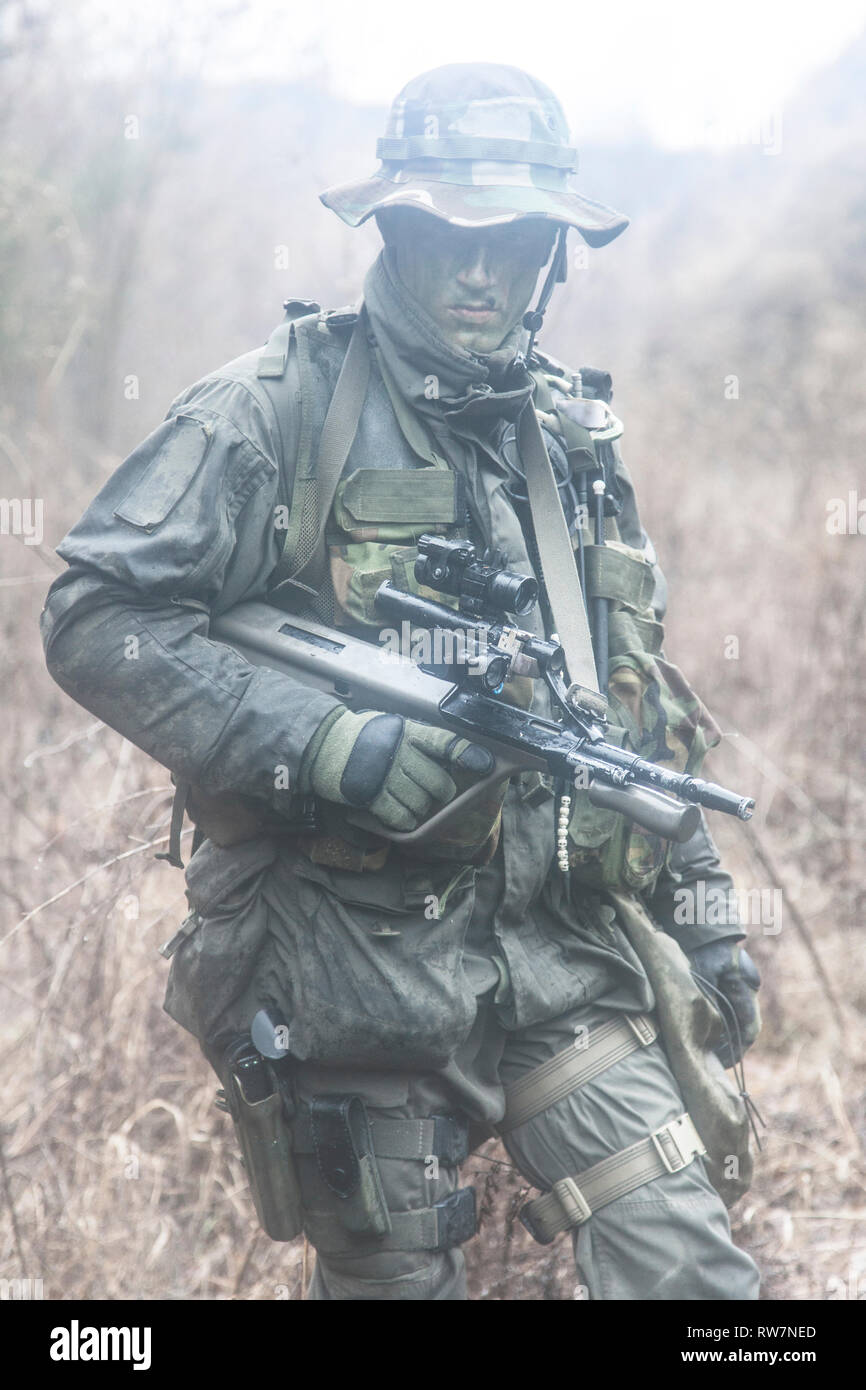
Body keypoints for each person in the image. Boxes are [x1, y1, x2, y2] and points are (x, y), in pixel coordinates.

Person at [41, 63, 762, 1300]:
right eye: (443, 237)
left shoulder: (570, 440)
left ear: (551, 255)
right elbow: (95, 613)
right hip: (346, 979)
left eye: (518, 241)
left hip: (553, 955)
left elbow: (629, 706)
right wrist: (325, 745)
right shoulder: (271, 409)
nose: (480, 273)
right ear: (390, 231)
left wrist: (702, 919)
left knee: (698, 1283)